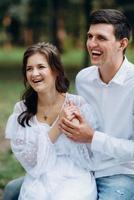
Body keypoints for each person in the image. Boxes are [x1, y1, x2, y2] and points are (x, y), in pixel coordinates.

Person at [4, 42, 98, 200]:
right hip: (39, 178)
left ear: (55, 71)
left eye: (41, 67)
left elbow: (93, 153)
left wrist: (82, 130)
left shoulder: (78, 104)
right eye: (29, 69)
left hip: (75, 177)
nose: (34, 74)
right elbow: (32, 162)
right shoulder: (22, 110)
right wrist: (58, 126)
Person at [60, 9, 134, 199]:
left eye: (101, 38)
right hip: (82, 167)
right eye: (90, 36)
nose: (92, 43)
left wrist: (93, 137)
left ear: (122, 43)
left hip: (122, 173)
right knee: (13, 190)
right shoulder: (84, 78)